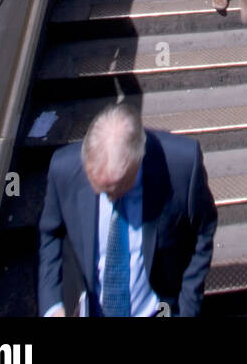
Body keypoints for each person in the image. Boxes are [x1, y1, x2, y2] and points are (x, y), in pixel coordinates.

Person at [38, 102, 216, 317]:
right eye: (100, 189)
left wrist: (188, 310)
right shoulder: (64, 170)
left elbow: (203, 232)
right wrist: (52, 305)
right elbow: (49, 234)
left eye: (117, 188)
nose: (109, 197)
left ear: (138, 159)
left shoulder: (182, 165)